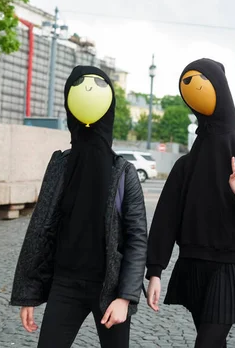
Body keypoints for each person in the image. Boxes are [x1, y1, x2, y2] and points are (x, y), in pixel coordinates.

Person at [146, 59, 235, 348]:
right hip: (194, 267)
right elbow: (165, 221)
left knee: (207, 342)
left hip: (232, 269)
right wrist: (155, 272)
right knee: (211, 342)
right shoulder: (186, 166)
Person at [10, 65, 147, 348]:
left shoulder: (124, 172)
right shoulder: (60, 165)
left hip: (109, 289)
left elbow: (137, 240)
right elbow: (41, 230)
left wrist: (125, 297)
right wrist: (29, 294)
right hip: (66, 285)